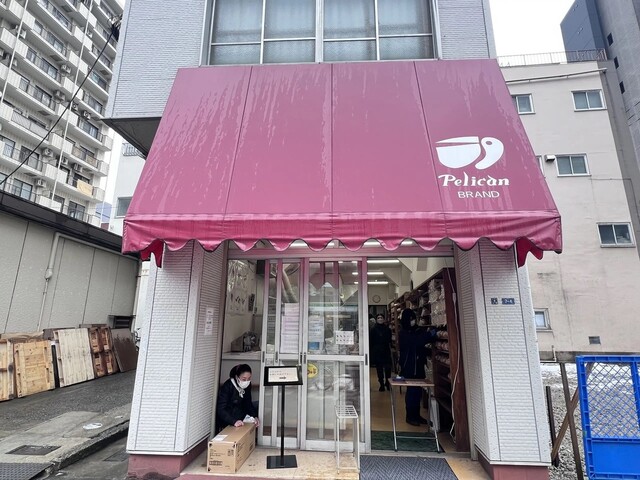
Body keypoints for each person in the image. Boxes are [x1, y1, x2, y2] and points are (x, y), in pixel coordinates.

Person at [398, 308, 437, 426]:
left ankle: (417, 415)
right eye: (411, 319)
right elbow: (417, 341)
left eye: (414, 319)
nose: (413, 321)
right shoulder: (403, 333)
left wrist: (431, 335)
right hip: (409, 366)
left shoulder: (416, 330)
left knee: (418, 391)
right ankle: (410, 416)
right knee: (412, 391)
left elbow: (421, 339)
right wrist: (429, 334)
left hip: (419, 365)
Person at [216, 364, 260, 432]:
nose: (246, 381)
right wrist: (234, 421)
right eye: (244, 379)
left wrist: (254, 416)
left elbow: (248, 403)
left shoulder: (247, 385)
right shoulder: (228, 386)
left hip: (240, 414)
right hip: (229, 417)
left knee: (257, 405)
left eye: (249, 379)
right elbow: (221, 409)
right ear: (237, 377)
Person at [370, 313, 392, 391]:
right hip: (377, 351)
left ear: (384, 319)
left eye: (381, 318)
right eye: (378, 318)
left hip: (386, 351)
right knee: (379, 369)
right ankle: (381, 384)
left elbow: (389, 340)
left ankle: (387, 383)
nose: (380, 319)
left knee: (388, 368)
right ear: (376, 319)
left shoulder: (387, 329)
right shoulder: (373, 329)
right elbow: (371, 341)